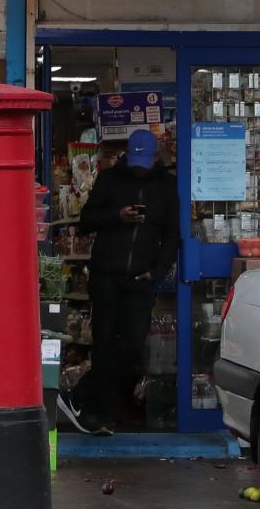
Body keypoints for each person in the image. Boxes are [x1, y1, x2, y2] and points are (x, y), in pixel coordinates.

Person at [68, 127, 178, 434]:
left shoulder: (167, 187)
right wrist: (118, 215)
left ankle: (83, 394)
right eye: (135, 160)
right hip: (105, 275)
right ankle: (97, 414)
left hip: (140, 279)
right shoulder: (109, 179)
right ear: (127, 154)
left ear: (156, 157)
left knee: (130, 346)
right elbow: (86, 222)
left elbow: (172, 235)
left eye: (145, 161)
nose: (139, 167)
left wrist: (156, 272)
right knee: (103, 345)